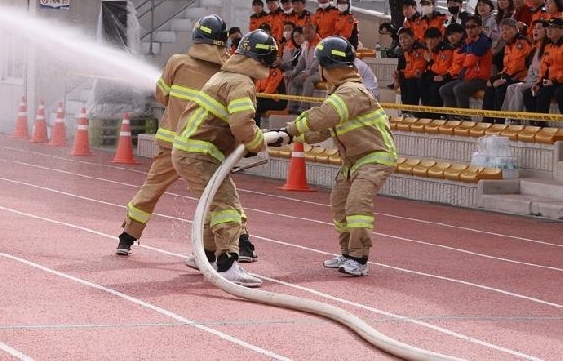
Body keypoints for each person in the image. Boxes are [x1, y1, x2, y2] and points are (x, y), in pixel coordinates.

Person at [116, 15, 261, 261]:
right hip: (206, 146)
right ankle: (242, 243)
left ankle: (127, 237)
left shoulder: (177, 62)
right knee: (220, 194)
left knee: (151, 190)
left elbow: (161, 95)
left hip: (171, 141)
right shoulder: (227, 71)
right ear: (222, 42)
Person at [277, 36, 397, 277]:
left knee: (357, 204)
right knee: (340, 204)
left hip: (374, 157)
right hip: (353, 160)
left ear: (327, 67)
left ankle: (359, 258)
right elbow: (321, 130)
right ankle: (347, 253)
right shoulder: (340, 93)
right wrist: (289, 137)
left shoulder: (352, 92)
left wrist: (290, 130)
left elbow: (323, 117)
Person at [172, 29, 280, 287]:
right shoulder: (241, 83)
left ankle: (205, 256)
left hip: (190, 151)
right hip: (201, 154)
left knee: (212, 205)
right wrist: (258, 142)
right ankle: (228, 264)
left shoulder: (224, 76)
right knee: (227, 207)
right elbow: (242, 124)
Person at [439, 15, 492, 111]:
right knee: (444, 90)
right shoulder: (469, 41)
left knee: (459, 89)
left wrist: (465, 55)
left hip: (480, 79)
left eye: (473, 26)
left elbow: (468, 61)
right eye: (467, 27)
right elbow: (460, 55)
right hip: (467, 77)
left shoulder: (483, 42)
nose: (469, 30)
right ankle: (453, 117)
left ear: (480, 28)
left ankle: (464, 118)